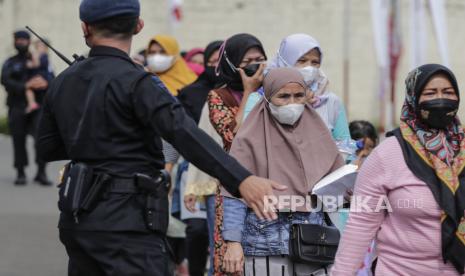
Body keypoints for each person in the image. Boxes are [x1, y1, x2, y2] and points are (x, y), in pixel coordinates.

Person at [37, 1, 285, 275]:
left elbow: (47, 147)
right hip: (129, 220)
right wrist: (242, 180)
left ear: (85, 28)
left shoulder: (64, 80)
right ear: (138, 26)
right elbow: (184, 133)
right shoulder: (139, 82)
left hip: (78, 216)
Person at [332, 64, 465, 275]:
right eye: (430, 93)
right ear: (413, 98)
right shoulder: (388, 154)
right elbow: (360, 225)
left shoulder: (462, 152)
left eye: (448, 92)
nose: (440, 99)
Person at [221, 67, 344, 275]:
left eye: (298, 96)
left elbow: (338, 189)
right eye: (283, 96)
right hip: (264, 245)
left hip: (313, 243)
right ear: (268, 98)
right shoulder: (249, 138)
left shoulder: (318, 132)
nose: (292, 103)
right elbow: (233, 194)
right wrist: (233, 242)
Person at [207, 33, 267, 275]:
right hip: (235, 183)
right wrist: (250, 92)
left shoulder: (273, 92)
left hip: (268, 180)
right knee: (233, 255)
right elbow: (235, 137)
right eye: (248, 61)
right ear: (232, 64)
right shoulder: (218, 97)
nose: (256, 65)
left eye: (260, 58)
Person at [244, 33, 351, 141]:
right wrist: (302, 107)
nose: (309, 67)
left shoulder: (329, 101)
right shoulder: (259, 100)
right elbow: (249, 140)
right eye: (302, 60)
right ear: (284, 61)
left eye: (315, 62)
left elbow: (345, 145)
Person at [178, 40, 223, 276]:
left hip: (231, 177)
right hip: (195, 169)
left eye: (220, 61)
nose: (216, 67)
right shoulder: (191, 94)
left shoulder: (245, 95)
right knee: (197, 231)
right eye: (211, 62)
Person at [1, 30, 52, 186]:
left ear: (29, 42)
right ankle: (21, 172)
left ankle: (41, 172)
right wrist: (25, 85)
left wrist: (46, 83)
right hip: (17, 106)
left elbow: (51, 76)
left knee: (41, 140)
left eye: (24, 40)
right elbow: (5, 80)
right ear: (15, 42)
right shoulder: (11, 62)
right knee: (18, 139)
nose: (21, 42)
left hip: (38, 107)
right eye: (18, 40)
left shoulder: (40, 59)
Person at [178, 40, 223, 123]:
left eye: (221, 61)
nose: (217, 65)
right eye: (213, 61)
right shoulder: (189, 93)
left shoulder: (241, 90)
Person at [25, 39, 54, 113]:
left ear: (46, 48)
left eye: (40, 47)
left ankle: (32, 103)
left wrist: (31, 64)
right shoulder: (38, 55)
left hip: (41, 77)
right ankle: (32, 103)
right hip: (37, 77)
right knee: (28, 88)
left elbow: (37, 64)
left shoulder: (44, 56)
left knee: (29, 88)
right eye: (37, 47)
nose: (38, 49)